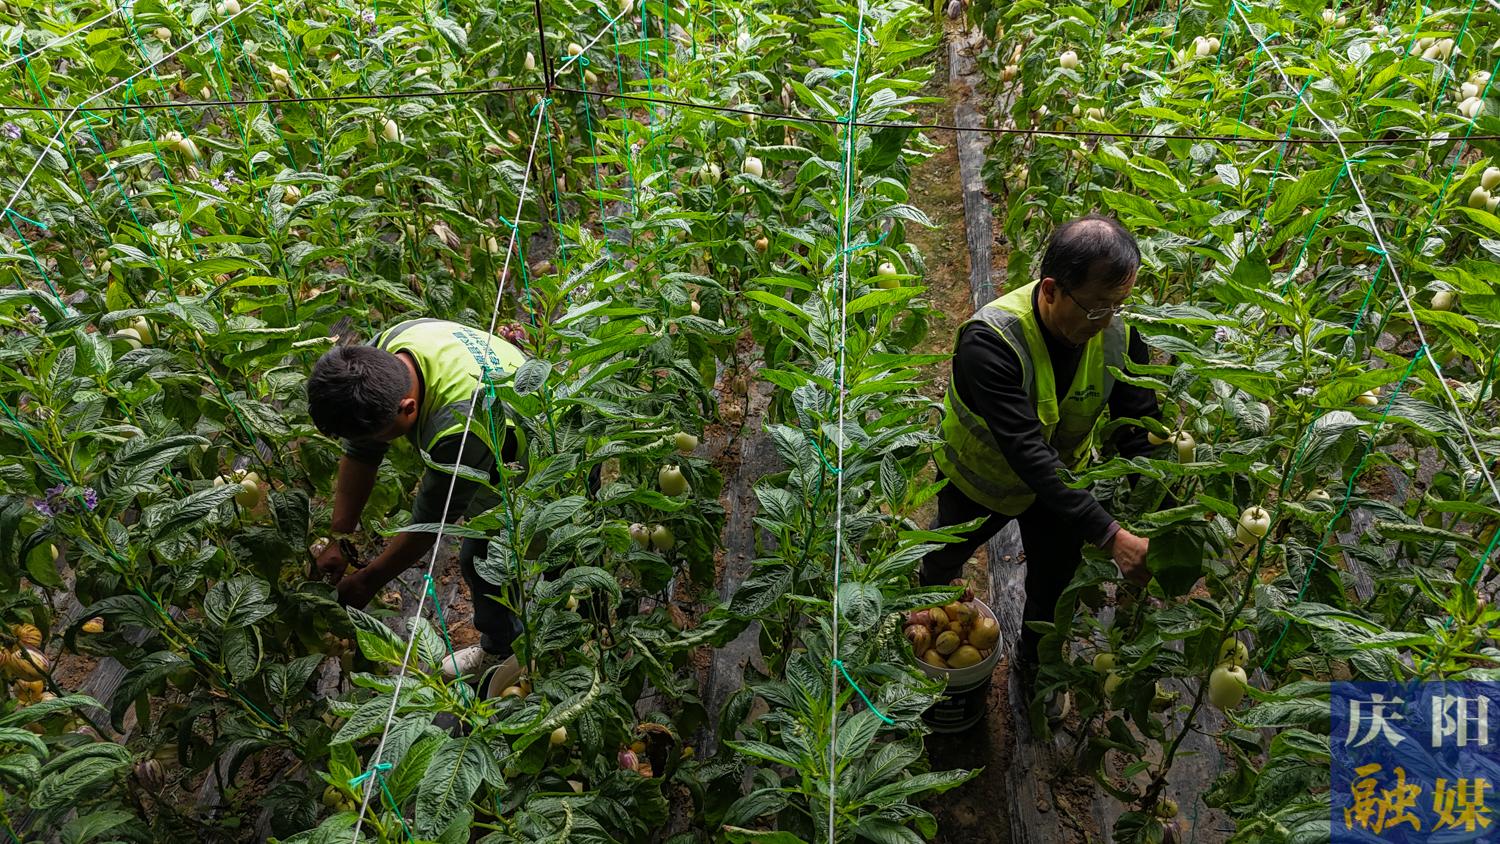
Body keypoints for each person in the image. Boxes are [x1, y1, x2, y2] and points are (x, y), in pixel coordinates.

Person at [923, 213, 1162, 681]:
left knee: (1053, 583)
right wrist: (1111, 536)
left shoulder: (1119, 335)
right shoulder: (990, 341)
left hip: (1063, 487)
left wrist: (1159, 510)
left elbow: (1137, 428)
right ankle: (930, 633)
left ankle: (1035, 663)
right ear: (1051, 290)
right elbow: (1026, 450)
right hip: (980, 483)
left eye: (1118, 305)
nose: (1107, 320)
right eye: (1096, 308)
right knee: (943, 558)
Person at [305, 317, 529, 681]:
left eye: (380, 435)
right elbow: (361, 452)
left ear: (408, 408)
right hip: (503, 398)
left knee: (485, 558)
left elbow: (431, 522)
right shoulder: (379, 354)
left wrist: (368, 580)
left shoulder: (459, 427)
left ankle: (506, 647)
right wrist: (340, 538)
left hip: (541, 448)